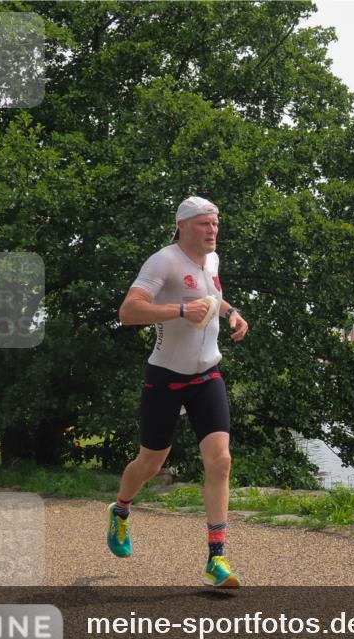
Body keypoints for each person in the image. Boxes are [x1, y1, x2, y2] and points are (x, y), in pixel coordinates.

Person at [111, 196, 249, 588]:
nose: (213, 231)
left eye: (216, 224)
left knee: (220, 460)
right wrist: (178, 311)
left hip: (206, 375)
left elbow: (213, 298)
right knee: (151, 464)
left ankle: (216, 560)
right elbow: (128, 311)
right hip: (165, 378)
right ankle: (121, 510)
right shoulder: (163, 262)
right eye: (205, 224)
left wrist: (232, 313)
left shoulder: (213, 261)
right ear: (182, 225)